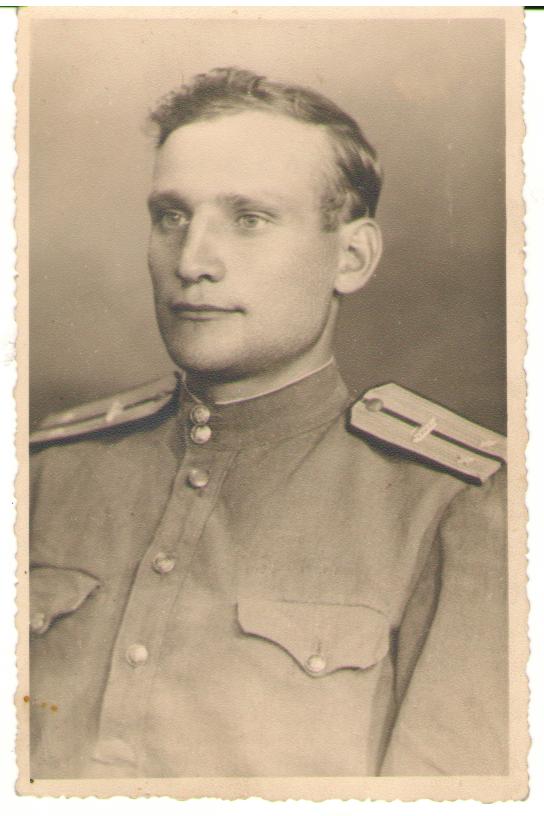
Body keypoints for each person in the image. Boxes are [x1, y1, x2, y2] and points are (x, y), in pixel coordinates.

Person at [29, 67, 508, 779]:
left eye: (249, 219)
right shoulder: (45, 473)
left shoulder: (456, 504)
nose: (193, 261)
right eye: (171, 216)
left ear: (352, 257)